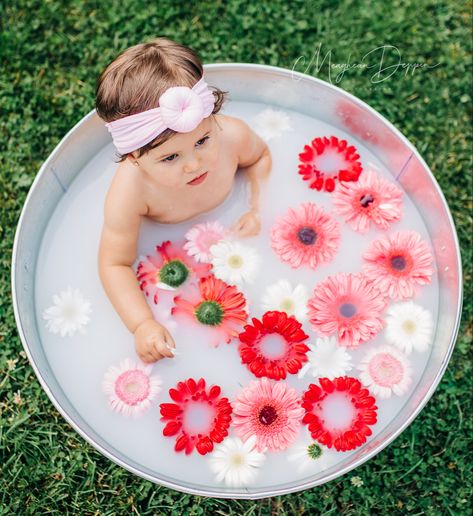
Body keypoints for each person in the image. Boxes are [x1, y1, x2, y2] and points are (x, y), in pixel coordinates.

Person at [95, 37, 272, 364]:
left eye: (203, 140)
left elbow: (260, 157)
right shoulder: (130, 193)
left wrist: (257, 206)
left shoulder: (231, 137)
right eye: (170, 157)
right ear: (134, 156)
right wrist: (142, 323)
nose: (195, 164)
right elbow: (114, 264)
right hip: (179, 267)